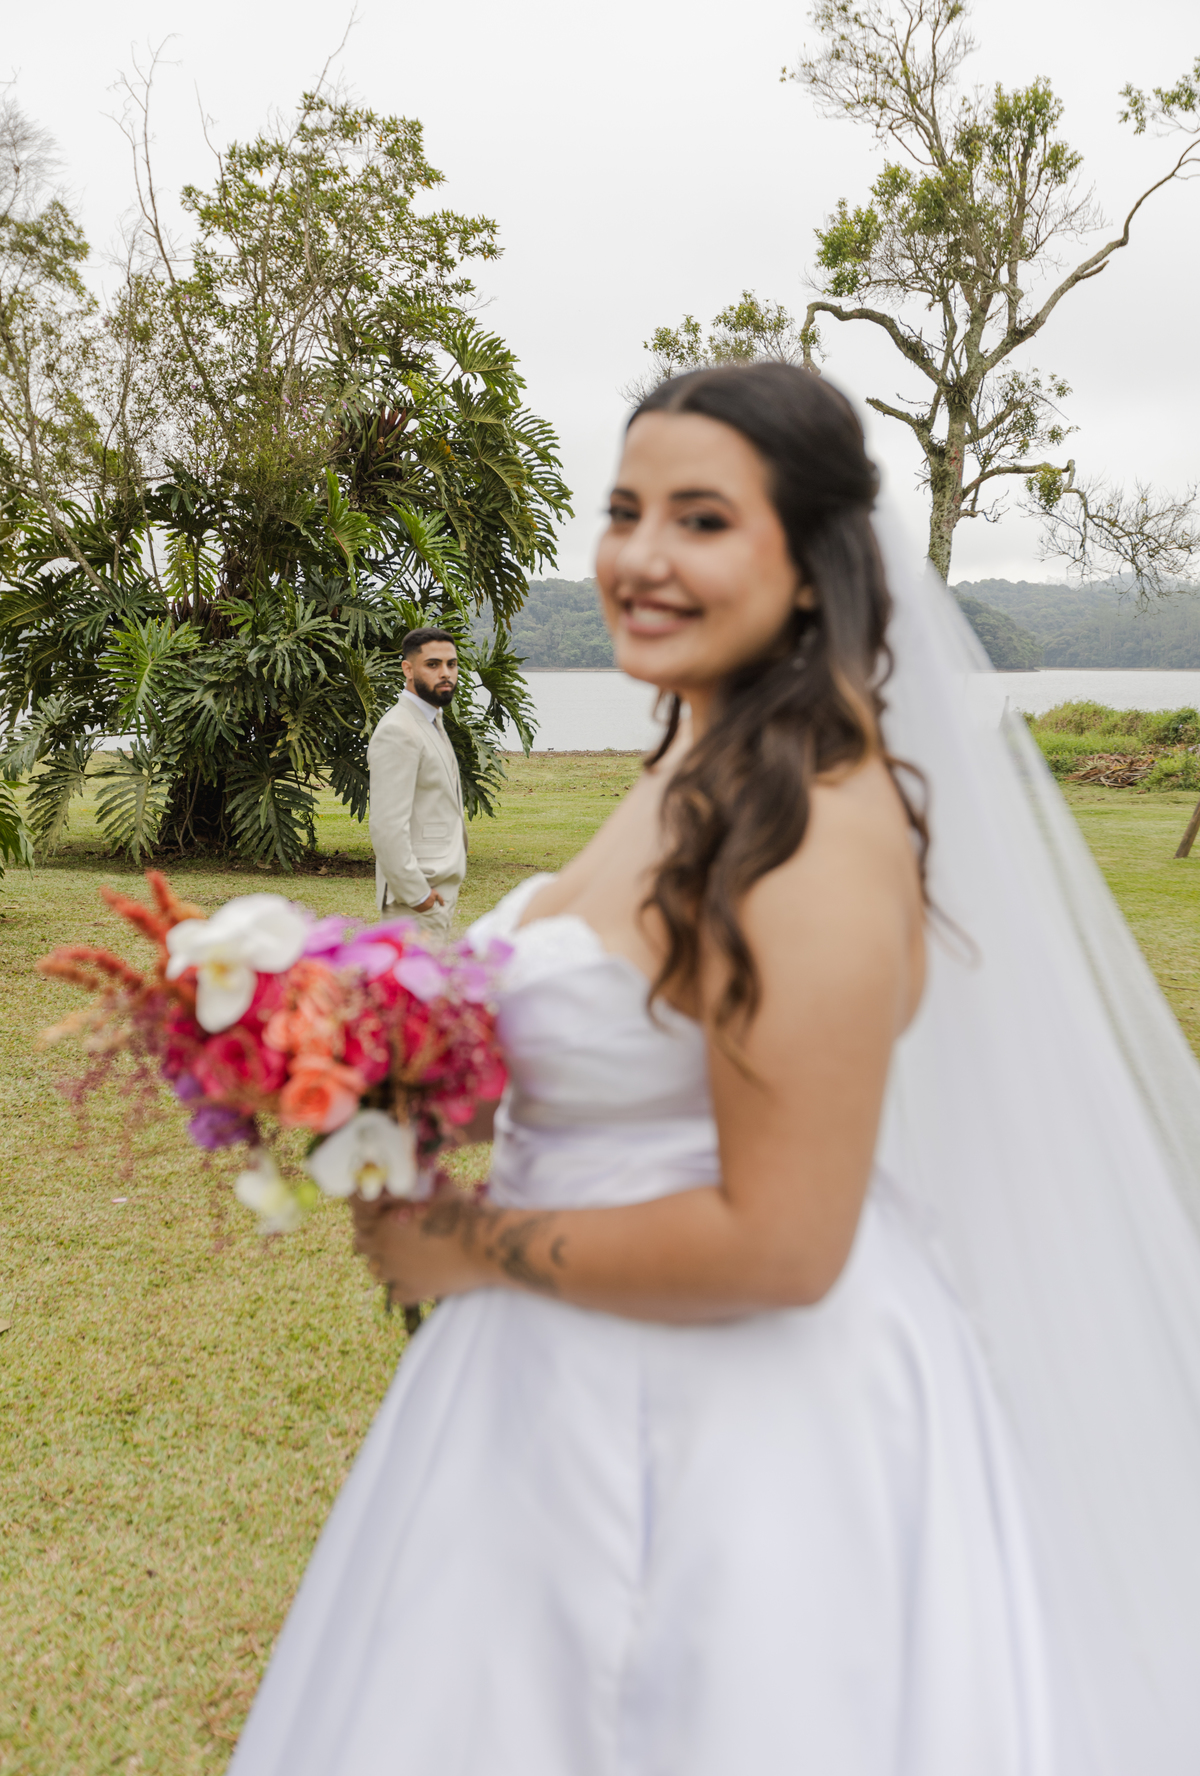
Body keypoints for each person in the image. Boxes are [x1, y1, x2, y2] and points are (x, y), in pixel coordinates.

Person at [230, 365, 1200, 1775]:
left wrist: (468, 1243)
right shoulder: (690, 765)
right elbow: (622, 1035)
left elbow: (785, 1242)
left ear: (810, 565)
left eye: (701, 519)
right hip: (545, 1394)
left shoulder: (812, 827)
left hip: (731, 1425)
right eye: (625, 511)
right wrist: (374, 1050)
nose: (641, 556)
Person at [367, 629, 467, 947]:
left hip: (436, 888)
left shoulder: (430, 719)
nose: (445, 673)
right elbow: (387, 826)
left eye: (451, 664)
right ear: (408, 670)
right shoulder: (399, 730)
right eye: (433, 664)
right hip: (415, 899)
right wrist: (418, 895)